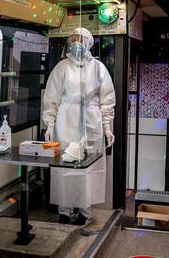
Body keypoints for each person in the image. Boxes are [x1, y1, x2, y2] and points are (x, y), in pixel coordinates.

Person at [42, 27, 116, 225]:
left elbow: (107, 100)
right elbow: (51, 99)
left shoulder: (98, 68)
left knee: (88, 166)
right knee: (64, 165)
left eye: (80, 40)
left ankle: (85, 212)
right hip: (66, 120)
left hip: (92, 120)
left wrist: (108, 126)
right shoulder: (62, 67)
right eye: (73, 39)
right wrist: (49, 124)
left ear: (89, 43)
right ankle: (64, 211)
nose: (76, 43)